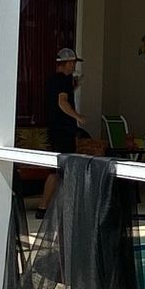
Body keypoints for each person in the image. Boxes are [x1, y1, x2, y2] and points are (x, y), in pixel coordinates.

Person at [38, 46, 89, 212]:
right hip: (63, 132)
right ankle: (45, 206)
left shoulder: (54, 80)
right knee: (60, 170)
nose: (73, 66)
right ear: (64, 63)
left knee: (60, 170)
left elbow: (58, 97)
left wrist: (74, 87)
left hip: (55, 130)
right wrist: (78, 116)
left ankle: (48, 206)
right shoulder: (64, 80)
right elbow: (62, 102)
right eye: (72, 63)